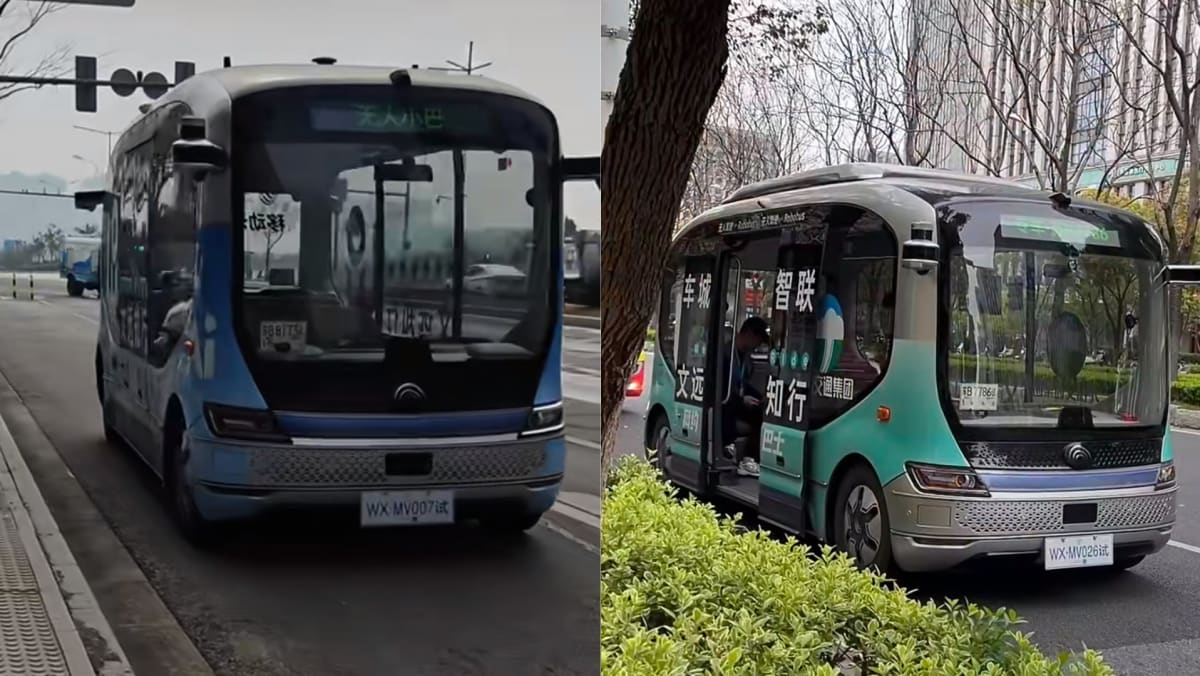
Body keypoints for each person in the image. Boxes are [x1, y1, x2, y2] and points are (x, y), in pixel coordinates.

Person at [721, 316, 770, 477]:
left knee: (763, 411)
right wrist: (742, 399)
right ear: (749, 334)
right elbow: (722, 388)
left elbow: (744, 385)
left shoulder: (746, 359)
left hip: (739, 400)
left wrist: (759, 396)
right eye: (758, 340)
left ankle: (751, 456)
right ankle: (747, 459)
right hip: (726, 403)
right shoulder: (726, 354)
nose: (757, 346)